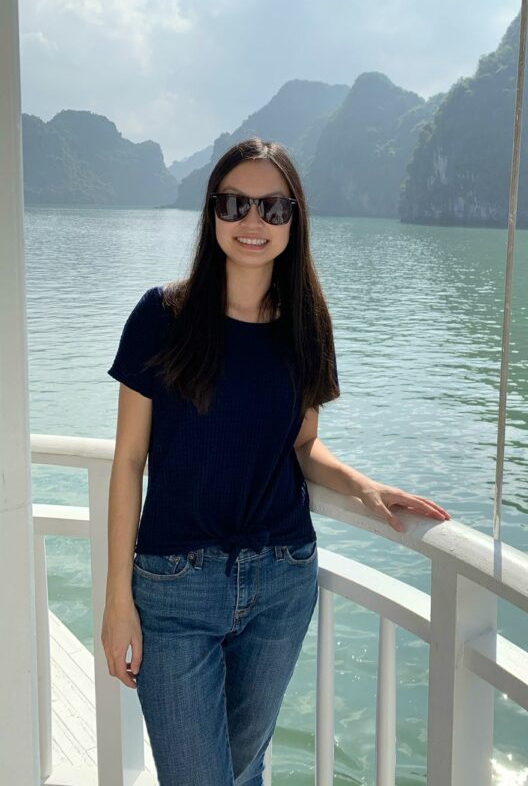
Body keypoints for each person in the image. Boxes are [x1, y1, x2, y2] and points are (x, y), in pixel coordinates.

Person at [100, 137, 451, 786]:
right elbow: (127, 463)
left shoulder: (306, 324)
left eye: (272, 207)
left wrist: (361, 484)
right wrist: (118, 599)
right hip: (175, 585)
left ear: (295, 220)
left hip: (281, 580)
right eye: (234, 204)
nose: (252, 222)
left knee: (242, 770)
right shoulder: (161, 316)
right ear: (212, 214)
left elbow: (301, 442)